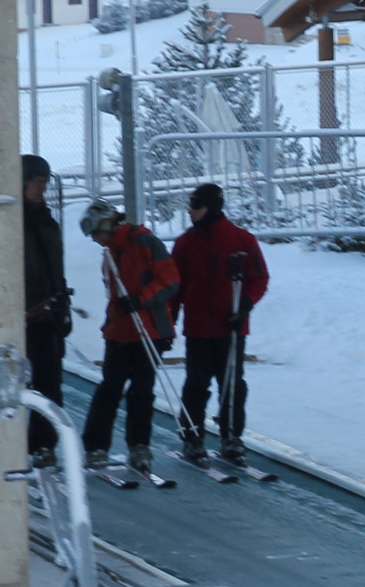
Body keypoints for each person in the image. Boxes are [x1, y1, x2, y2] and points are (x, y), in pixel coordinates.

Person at [170, 181, 269, 467]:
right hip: (199, 329)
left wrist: (245, 306)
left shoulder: (242, 240)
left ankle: (231, 436)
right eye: (189, 205)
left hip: (232, 328)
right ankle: (192, 437)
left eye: (196, 206)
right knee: (196, 384)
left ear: (211, 207)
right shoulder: (186, 243)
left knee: (232, 384)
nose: (190, 211)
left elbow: (259, 278)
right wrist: (168, 321)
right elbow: (175, 286)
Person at [79, 200, 179, 471]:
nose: (95, 240)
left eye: (96, 233)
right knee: (109, 388)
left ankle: (139, 445)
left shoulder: (145, 242)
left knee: (141, 390)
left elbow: (170, 279)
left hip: (148, 329)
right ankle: (96, 446)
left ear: (106, 225)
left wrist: (140, 299)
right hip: (120, 331)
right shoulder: (110, 253)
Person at [20, 156, 71, 466]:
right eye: (37, 182)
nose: (42, 188)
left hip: (48, 314)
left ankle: (43, 444)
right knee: (18, 384)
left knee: (49, 384)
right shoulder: (12, 223)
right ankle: (16, 444)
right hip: (22, 316)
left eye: (45, 182)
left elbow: (56, 267)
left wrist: (62, 304)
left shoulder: (48, 223)